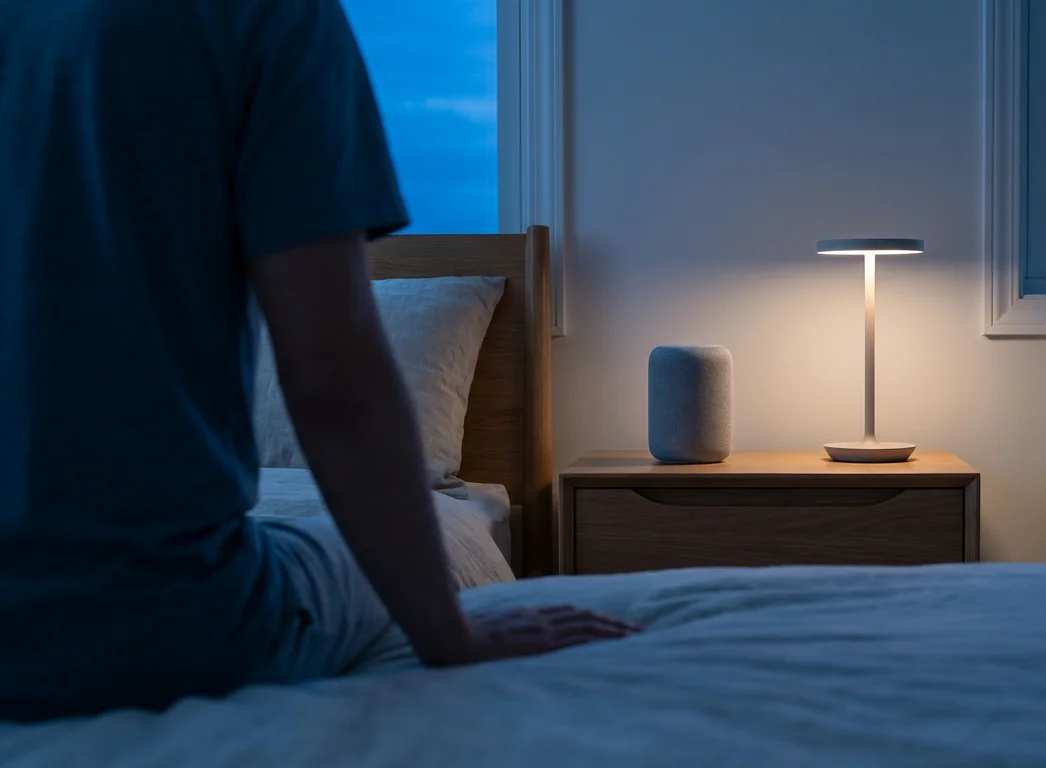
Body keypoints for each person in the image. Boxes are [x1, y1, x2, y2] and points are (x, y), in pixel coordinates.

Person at [0, 0, 638, 722]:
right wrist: (450, 635)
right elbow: (336, 380)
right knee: (353, 554)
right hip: (147, 619)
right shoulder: (270, 19)